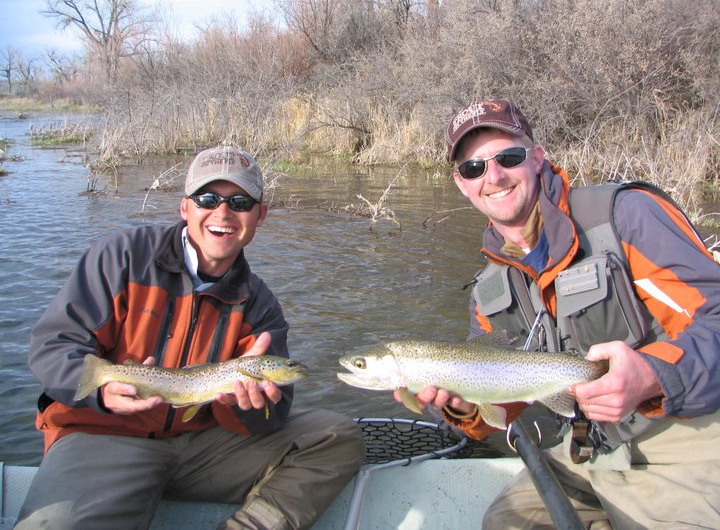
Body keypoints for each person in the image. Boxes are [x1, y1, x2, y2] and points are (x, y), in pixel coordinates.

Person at [398, 99, 720, 528]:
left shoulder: (625, 215)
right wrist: (461, 405)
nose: (492, 177)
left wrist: (652, 375)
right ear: (461, 183)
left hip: (680, 441)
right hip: (584, 454)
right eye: (473, 168)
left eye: (507, 157)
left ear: (536, 158)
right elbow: (499, 410)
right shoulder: (488, 290)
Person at [16, 146, 366, 530]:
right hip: (103, 435)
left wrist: (249, 407)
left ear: (260, 215)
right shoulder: (123, 256)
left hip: (204, 446)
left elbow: (274, 416)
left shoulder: (260, 305)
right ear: (185, 208)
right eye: (207, 198)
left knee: (337, 436)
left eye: (240, 201)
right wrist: (104, 390)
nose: (223, 212)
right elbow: (54, 346)